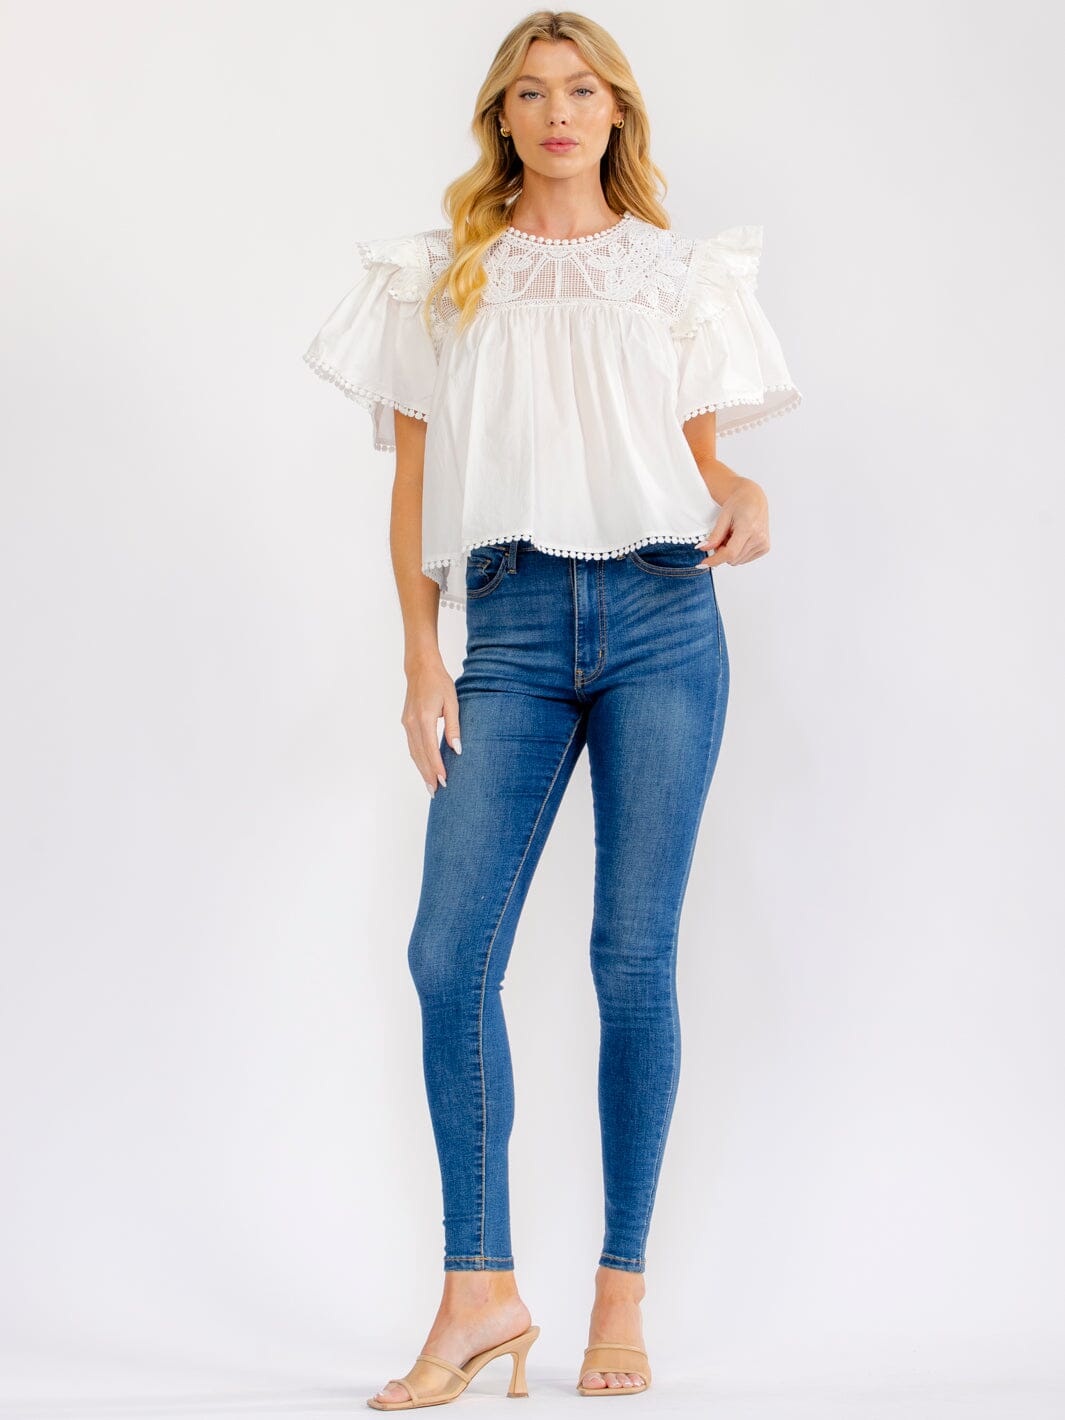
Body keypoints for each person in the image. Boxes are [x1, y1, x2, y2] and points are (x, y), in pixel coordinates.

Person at [302, 12, 802, 1409]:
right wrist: (423, 657)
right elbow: (411, 490)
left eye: (582, 89)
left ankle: (618, 1295)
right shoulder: (439, 277)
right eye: (531, 93)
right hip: (508, 629)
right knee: (447, 955)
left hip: (663, 615)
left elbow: (699, 462)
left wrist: (747, 494)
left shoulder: (673, 276)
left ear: (615, 112)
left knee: (629, 958)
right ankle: (480, 1291)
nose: (559, 112)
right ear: (503, 119)